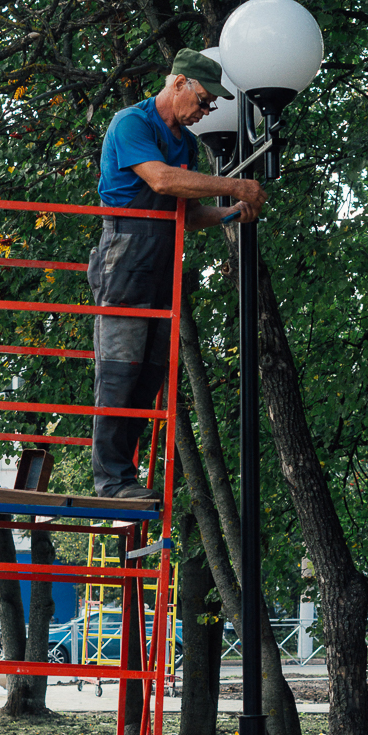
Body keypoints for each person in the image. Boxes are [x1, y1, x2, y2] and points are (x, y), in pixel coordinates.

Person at [90, 48, 267, 500]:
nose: (205, 111)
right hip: (125, 252)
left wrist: (229, 213)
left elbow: (184, 215)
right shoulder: (132, 123)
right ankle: (110, 481)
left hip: (163, 256)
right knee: (119, 369)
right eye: (204, 100)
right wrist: (234, 184)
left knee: (148, 374)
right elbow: (163, 182)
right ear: (178, 82)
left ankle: (123, 479)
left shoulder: (186, 144)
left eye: (212, 107)